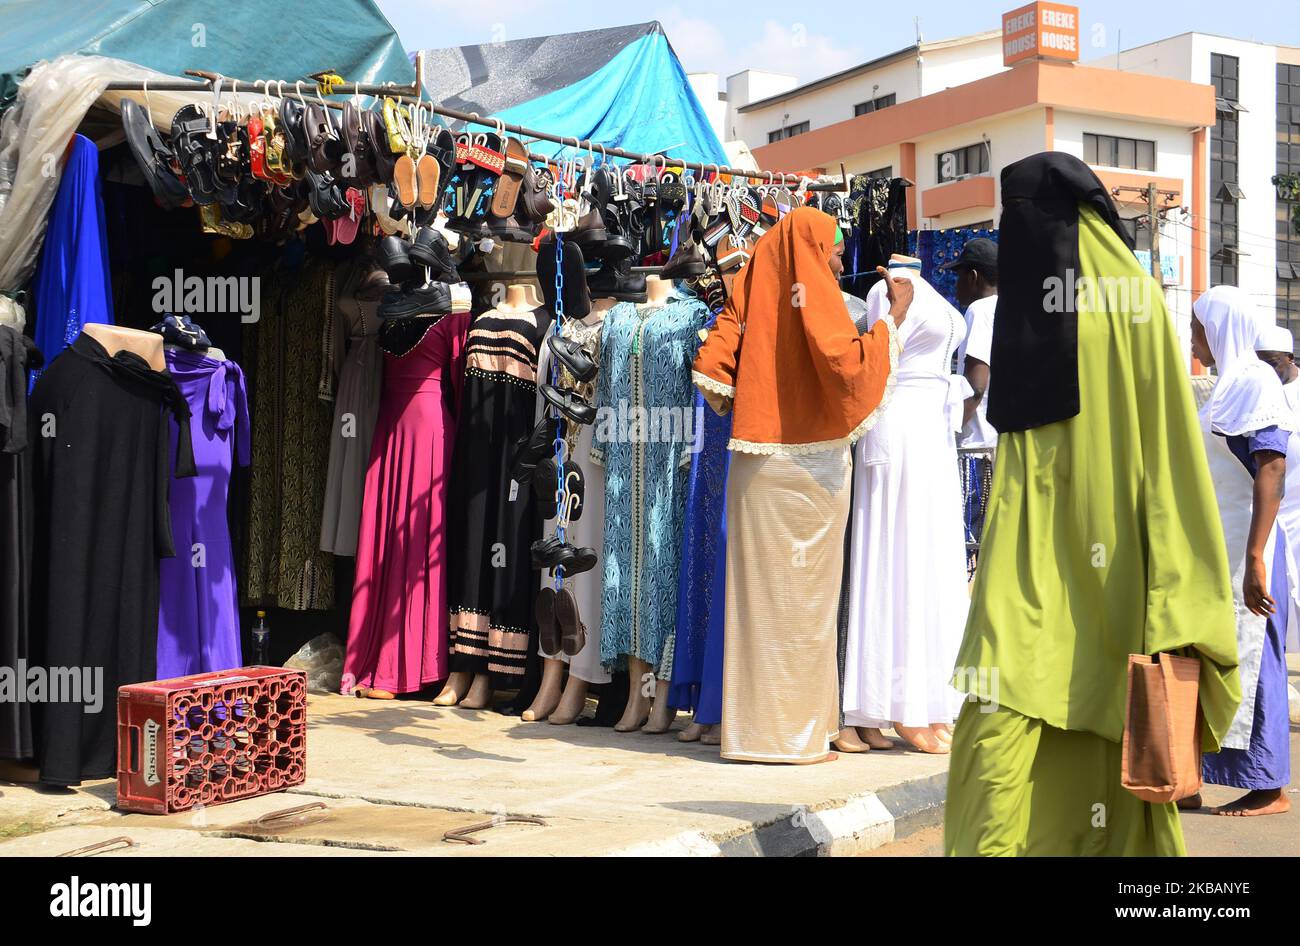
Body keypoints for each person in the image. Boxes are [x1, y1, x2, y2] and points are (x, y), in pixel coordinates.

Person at [944, 152, 1239, 856]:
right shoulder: (1135, 307)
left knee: (1004, 724)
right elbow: (1173, 471)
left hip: (1030, 580)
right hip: (1120, 584)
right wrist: (1176, 597)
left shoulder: (1039, 318)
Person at [692, 207, 908, 765]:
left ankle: (753, 735)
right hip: (812, 468)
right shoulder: (819, 298)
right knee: (806, 606)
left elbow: (717, 357)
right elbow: (844, 361)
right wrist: (892, 324)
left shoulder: (756, 290)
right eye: (834, 249)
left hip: (754, 464)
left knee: (757, 603)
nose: (840, 258)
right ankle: (794, 738)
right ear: (813, 251)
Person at [1186, 288, 1293, 817]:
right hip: (1224, 545)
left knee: (1258, 658)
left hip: (1252, 549)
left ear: (1218, 326)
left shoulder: (1253, 381)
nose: (1192, 337)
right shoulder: (1229, 385)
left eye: (1196, 326)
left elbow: (1271, 467)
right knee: (1224, 657)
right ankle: (1191, 775)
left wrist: (1255, 558)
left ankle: (1270, 786)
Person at [943, 238, 999, 570]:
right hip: (1000, 442)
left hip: (978, 451)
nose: (957, 285)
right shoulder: (1011, 307)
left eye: (959, 276)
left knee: (973, 545)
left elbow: (976, 386)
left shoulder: (978, 311)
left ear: (974, 276)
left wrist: (950, 431)